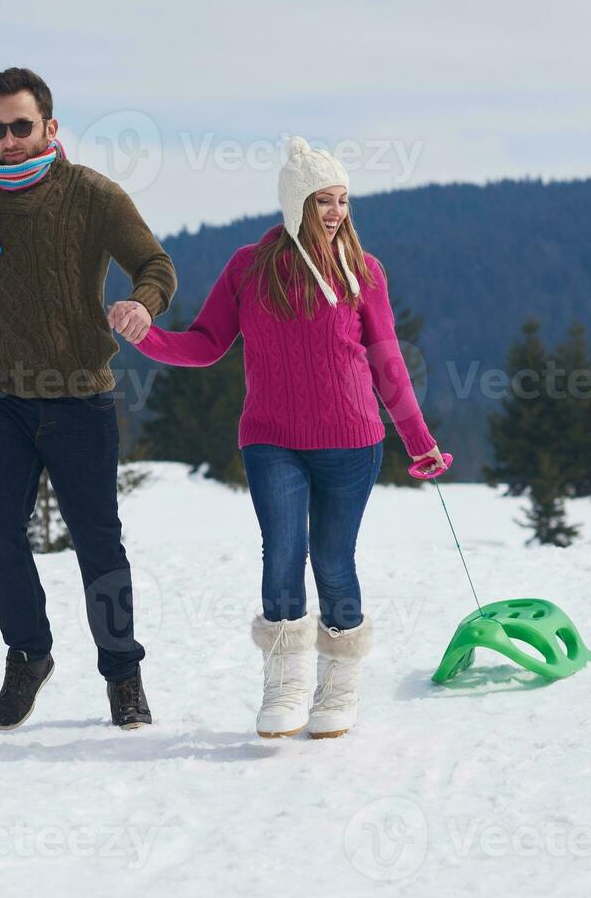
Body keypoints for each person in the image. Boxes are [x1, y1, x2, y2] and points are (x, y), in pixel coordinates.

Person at [128, 137, 445, 739]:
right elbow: (205, 343)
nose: (335, 212)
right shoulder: (248, 266)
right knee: (281, 554)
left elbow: (387, 362)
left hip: (353, 442)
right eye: (322, 200)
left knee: (331, 558)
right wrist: (148, 337)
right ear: (295, 202)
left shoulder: (364, 271)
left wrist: (419, 439)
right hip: (271, 438)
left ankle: (338, 687)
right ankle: (285, 683)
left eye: (342, 200)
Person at [0, 67, 177, 731]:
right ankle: (29, 653)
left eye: (22, 126)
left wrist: (141, 303)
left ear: (49, 127)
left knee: (98, 544)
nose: (9, 140)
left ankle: (122, 674)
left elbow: (155, 265)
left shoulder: (92, 195)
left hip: (80, 397)